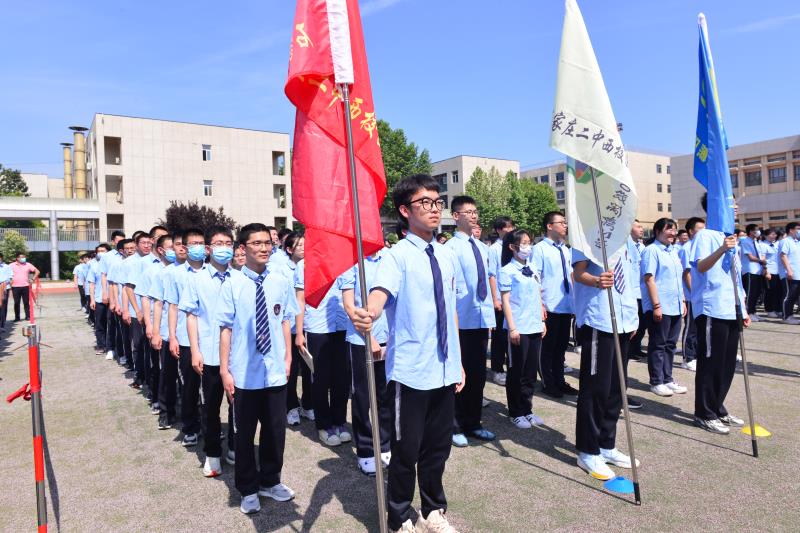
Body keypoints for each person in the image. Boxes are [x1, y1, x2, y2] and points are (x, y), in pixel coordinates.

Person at [352, 174, 465, 533]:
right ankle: (400, 515)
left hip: (444, 367)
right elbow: (380, 294)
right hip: (411, 371)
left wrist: (458, 361)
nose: (434, 209)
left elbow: (450, 308)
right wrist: (369, 313)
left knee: (438, 448)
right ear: (405, 210)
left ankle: (433, 510)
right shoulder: (396, 256)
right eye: (424, 203)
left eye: (437, 202)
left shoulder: (446, 254)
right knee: (406, 449)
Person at [219, 222, 296, 514]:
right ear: (243, 248)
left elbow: (285, 320)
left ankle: (271, 481)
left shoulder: (280, 281)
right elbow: (226, 329)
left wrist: (288, 358)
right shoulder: (233, 283)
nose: (264, 248)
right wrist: (225, 370)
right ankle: (248, 489)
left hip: (275, 370)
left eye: (267, 243)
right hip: (245, 374)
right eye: (256, 243)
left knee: (275, 432)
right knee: (244, 434)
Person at [572, 241, 640, 481]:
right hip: (599, 319)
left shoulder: (628, 241)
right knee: (595, 389)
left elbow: (630, 280)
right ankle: (588, 451)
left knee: (616, 388)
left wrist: (632, 315)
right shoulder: (588, 234)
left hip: (624, 319)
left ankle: (606, 444)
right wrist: (597, 281)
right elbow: (578, 273)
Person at [688, 193, 749, 434]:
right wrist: (722, 249)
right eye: (730, 203)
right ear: (716, 206)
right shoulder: (705, 235)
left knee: (727, 363)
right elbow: (701, 266)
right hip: (712, 308)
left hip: (731, 308)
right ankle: (704, 413)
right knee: (710, 362)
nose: (735, 207)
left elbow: (736, 278)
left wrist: (743, 308)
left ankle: (717, 407)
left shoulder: (730, 236)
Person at [181, 226, 238, 477]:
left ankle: (235, 447)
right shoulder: (197, 279)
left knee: (237, 406)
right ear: (208, 249)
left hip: (237, 356)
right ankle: (213, 454)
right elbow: (191, 316)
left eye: (228, 243)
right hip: (210, 355)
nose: (224, 248)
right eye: (218, 244)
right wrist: (195, 350)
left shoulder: (240, 278)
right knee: (210, 408)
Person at [446, 195, 495, 447]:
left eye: (475, 211)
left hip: (480, 318)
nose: (474, 216)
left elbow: (488, 279)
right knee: (459, 374)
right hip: (461, 320)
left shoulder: (483, 248)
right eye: (468, 212)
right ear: (456, 216)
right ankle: (454, 425)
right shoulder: (450, 248)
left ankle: (473, 422)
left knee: (477, 374)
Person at [339, 250, 393, 475]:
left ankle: (385, 444)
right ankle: (366, 449)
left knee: (385, 395)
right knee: (362, 397)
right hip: (361, 340)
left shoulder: (390, 258)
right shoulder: (351, 261)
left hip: (389, 338)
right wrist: (369, 337)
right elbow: (349, 306)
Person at [295, 257, 350, 447]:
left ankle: (339, 421)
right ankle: (324, 425)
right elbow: (300, 299)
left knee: (342, 379)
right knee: (320, 379)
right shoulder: (304, 264)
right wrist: (299, 332)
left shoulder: (346, 260)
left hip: (343, 325)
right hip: (317, 326)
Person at [499, 229, 547, 429]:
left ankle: (527, 409)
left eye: (529, 242)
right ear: (512, 247)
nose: (528, 246)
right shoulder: (507, 271)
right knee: (516, 371)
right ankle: (515, 412)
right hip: (518, 327)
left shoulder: (533, 267)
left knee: (530, 373)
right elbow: (506, 301)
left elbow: (538, 295)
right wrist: (512, 328)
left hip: (534, 326)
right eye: (524, 243)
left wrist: (542, 320)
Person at [640, 218, 688, 398]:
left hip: (675, 305)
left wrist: (683, 301)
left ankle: (668, 379)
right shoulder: (651, 250)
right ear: (657, 231)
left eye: (674, 230)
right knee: (658, 344)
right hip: (660, 305)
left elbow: (677, 279)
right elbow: (649, 279)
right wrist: (656, 306)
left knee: (670, 345)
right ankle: (656, 381)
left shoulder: (673, 251)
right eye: (669, 229)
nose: (673, 233)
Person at [532, 211, 577, 398]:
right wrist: (540, 304)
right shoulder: (539, 249)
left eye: (565, 222)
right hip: (549, 305)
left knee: (561, 347)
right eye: (561, 222)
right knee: (547, 348)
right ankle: (548, 382)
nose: (565, 225)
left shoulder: (565, 249)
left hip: (565, 304)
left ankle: (559, 380)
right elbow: (535, 278)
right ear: (549, 226)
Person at [168, 228, 206, 447]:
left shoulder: (215, 270)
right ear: (184, 247)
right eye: (193, 243)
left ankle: (209, 426)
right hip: (185, 338)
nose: (197, 247)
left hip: (210, 338)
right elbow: (172, 307)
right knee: (189, 387)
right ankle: (190, 427)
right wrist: (172, 336)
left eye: (201, 243)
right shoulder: (176, 274)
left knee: (210, 389)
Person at [150, 233, 185, 431]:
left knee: (191, 380)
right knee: (168, 375)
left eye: (181, 244)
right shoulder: (164, 273)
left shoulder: (199, 271)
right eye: (175, 246)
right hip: (167, 332)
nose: (179, 248)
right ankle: (166, 412)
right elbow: (158, 304)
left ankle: (194, 416)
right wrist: (155, 332)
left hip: (191, 334)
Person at [281, 232, 314, 427]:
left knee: (309, 368)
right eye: (299, 245)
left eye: (305, 245)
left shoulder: (310, 265)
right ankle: (291, 406)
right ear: (289, 249)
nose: (303, 248)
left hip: (307, 323)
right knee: (291, 369)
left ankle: (308, 404)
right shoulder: (282, 269)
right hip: (289, 326)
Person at [488, 216, 516, 386]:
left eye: (512, 226)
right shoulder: (494, 249)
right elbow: (492, 275)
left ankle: (511, 367)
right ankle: (497, 369)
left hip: (514, 299)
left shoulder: (515, 247)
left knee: (511, 335)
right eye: (507, 227)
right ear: (499, 230)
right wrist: (495, 299)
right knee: (499, 337)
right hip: (500, 299)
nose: (510, 230)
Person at [679, 217, 706, 371]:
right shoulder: (686, 248)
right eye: (699, 229)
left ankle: (696, 354)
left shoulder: (701, 246)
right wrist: (693, 292)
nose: (703, 232)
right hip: (691, 295)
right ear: (690, 231)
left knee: (699, 328)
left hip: (701, 294)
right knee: (691, 327)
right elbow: (686, 273)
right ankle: (687, 358)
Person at [101, 230, 126, 360]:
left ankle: (122, 352)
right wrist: (105, 293)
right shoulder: (107, 257)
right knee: (111, 322)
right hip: (112, 293)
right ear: (113, 242)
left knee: (123, 328)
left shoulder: (128, 254)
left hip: (124, 296)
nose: (121, 242)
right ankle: (110, 348)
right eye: (118, 240)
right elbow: (104, 275)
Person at [627, 221, 647, 361]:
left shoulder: (642, 246)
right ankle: (629, 350)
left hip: (642, 291)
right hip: (631, 291)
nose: (642, 229)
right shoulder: (626, 245)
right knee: (633, 323)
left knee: (642, 324)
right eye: (638, 226)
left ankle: (636, 348)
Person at [88, 244, 112, 355]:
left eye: (103, 250)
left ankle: (111, 346)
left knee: (111, 324)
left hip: (113, 300)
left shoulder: (113, 264)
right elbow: (91, 284)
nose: (101, 253)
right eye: (99, 251)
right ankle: (101, 345)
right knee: (99, 324)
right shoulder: (94, 266)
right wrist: (92, 300)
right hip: (99, 299)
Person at [740, 224, 766, 322]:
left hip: (757, 271)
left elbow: (761, 255)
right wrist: (761, 261)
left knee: (756, 293)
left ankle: (753, 312)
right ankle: (748, 313)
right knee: (750, 293)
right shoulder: (745, 241)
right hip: (749, 270)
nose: (758, 232)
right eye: (756, 230)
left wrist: (764, 266)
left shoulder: (756, 242)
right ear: (750, 231)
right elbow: (750, 257)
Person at [779, 222, 800, 324]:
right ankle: (786, 317)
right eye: (798, 228)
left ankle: (791, 315)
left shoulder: (797, 242)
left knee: (795, 296)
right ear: (791, 230)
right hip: (790, 273)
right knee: (789, 295)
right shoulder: (785, 241)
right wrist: (789, 270)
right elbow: (783, 256)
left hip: (798, 273)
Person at [10, 252, 39, 322]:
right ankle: (17, 317)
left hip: (25, 286)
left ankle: (28, 316)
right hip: (15, 286)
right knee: (16, 302)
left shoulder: (28, 264)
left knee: (26, 302)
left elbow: (37, 271)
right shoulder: (11, 265)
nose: (24, 258)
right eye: (22, 257)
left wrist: (32, 279)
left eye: (24, 257)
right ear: (17, 258)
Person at [762, 228, 781, 318]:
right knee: (770, 291)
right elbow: (763, 259)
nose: (774, 236)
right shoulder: (763, 245)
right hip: (769, 271)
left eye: (775, 234)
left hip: (778, 271)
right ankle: (769, 310)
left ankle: (777, 309)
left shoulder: (777, 244)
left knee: (778, 291)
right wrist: (766, 271)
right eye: (772, 234)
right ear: (766, 235)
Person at [0, 254, 12, 330]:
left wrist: (3, 283)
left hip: (4, 288)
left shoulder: (7, 267)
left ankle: (2, 324)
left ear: (1, 258)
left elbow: (10, 278)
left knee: (3, 306)